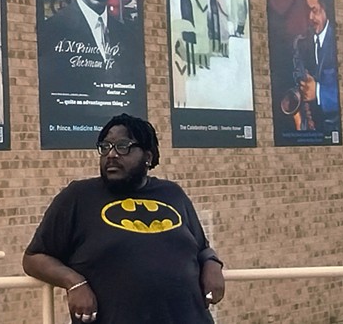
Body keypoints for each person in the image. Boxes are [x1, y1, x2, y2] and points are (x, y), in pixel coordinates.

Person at [23, 113, 225, 324]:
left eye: (122, 146)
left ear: (147, 156)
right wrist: (74, 282)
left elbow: (201, 248)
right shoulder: (78, 197)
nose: (111, 154)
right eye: (106, 147)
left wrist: (212, 264)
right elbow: (34, 258)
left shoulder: (172, 194)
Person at [295, 0, 340, 133]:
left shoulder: (338, 43)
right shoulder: (302, 43)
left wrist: (319, 92)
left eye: (315, 11)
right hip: (312, 125)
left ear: (325, 10)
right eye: (308, 11)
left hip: (333, 126)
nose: (310, 17)